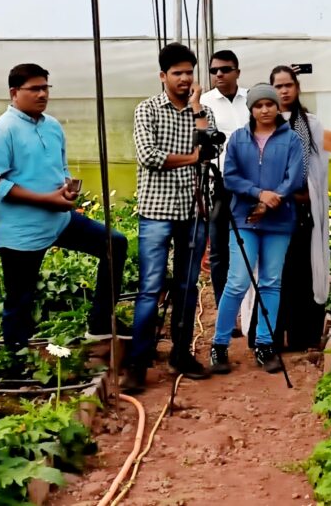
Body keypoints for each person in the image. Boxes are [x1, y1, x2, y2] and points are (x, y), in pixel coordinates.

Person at [0, 63, 127, 360]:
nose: (42, 94)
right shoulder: (3, 130)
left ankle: (100, 322)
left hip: (58, 220)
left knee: (114, 242)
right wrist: (47, 199)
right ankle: (15, 361)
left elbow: (59, 168)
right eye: (34, 89)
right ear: (14, 92)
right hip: (22, 231)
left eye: (46, 87)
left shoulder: (51, 126)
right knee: (20, 300)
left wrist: (66, 189)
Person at [124, 42, 218, 391]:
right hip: (157, 211)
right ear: (163, 76)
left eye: (189, 73)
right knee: (150, 288)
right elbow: (149, 155)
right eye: (177, 73)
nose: (184, 79)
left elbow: (211, 146)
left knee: (187, 286)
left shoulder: (201, 110)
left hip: (193, 210)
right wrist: (193, 157)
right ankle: (138, 362)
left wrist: (195, 109)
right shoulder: (147, 110)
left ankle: (181, 353)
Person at [208, 84, 304, 374]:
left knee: (271, 281)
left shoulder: (292, 140)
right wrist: (258, 194)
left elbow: (295, 176)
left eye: (269, 104)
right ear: (250, 109)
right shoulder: (238, 139)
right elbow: (230, 177)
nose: (265, 110)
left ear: (278, 107)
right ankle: (219, 344)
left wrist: (272, 200)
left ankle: (265, 344)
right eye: (258, 105)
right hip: (244, 219)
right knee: (237, 281)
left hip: (279, 221)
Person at [267, 65, 330, 351]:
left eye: (288, 85)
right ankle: (273, 336)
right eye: (278, 86)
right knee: (276, 272)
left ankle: (302, 336)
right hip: (274, 210)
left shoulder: (312, 124)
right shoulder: (263, 121)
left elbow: (318, 170)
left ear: (297, 87)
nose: (283, 91)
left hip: (302, 209)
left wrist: (306, 194)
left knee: (301, 271)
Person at [200, 50, 248, 316]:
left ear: (237, 72)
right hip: (220, 184)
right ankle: (225, 308)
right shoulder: (205, 103)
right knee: (219, 250)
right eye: (214, 70)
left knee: (249, 244)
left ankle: (251, 309)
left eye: (225, 69)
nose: (219, 74)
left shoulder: (252, 99)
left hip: (252, 183)